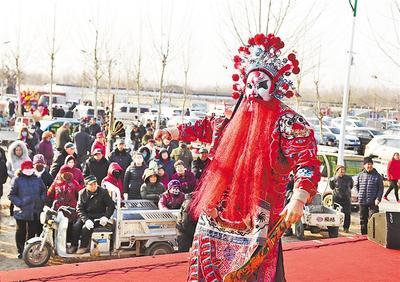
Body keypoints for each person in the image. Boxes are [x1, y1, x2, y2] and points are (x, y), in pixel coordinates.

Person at [155, 34, 320, 280]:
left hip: (259, 214)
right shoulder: (231, 117)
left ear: (274, 86)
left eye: (261, 85)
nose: (253, 92)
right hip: (217, 210)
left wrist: (299, 197)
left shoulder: (287, 122)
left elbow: (307, 161)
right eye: (250, 86)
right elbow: (204, 126)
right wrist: (172, 132)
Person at [8, 160, 46, 259]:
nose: (28, 170)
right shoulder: (17, 179)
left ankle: (29, 250)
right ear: (22, 169)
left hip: (34, 210)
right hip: (21, 210)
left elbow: (43, 190)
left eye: (30, 168)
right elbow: (11, 195)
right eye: (26, 168)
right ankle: (21, 250)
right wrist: (20, 203)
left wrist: (41, 200)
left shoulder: (37, 178)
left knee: (32, 231)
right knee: (21, 231)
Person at [69, 175, 115, 254]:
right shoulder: (82, 193)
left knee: (85, 229)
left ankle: (83, 246)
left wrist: (106, 217)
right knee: (76, 226)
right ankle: (73, 245)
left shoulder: (103, 192)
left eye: (95, 184)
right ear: (86, 186)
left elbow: (111, 205)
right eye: (91, 184)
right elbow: (79, 208)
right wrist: (86, 220)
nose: (93, 186)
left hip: (98, 216)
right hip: (86, 215)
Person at [47, 165, 80, 243]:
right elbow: (49, 195)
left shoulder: (74, 183)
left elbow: (79, 195)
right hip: (58, 210)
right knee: (56, 228)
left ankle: (68, 244)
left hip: (71, 210)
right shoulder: (56, 183)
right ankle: (56, 244)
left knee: (69, 227)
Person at [354, 157, 384, 235]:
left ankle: (372, 235)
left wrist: (378, 199)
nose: (369, 166)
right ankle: (364, 235)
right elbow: (356, 186)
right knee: (363, 219)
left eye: (370, 164)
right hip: (362, 201)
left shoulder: (378, 176)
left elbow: (381, 189)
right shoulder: (360, 175)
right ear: (364, 165)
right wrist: (358, 194)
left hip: (373, 202)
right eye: (367, 164)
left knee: (373, 219)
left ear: (372, 165)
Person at [329, 165, 353, 232]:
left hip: (346, 199)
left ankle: (346, 228)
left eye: (343, 170)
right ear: (337, 171)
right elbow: (332, 187)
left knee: (347, 214)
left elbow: (351, 186)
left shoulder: (349, 178)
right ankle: (335, 228)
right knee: (336, 214)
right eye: (340, 171)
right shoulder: (333, 179)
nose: (342, 172)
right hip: (337, 199)